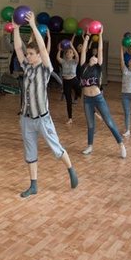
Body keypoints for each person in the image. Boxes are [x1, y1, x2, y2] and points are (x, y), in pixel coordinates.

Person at [13, 11, 78, 198]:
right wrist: (16, 29)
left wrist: (33, 25)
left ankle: (71, 169)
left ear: (39, 56)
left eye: (31, 54)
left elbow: (42, 48)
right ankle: (33, 185)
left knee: (56, 148)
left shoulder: (45, 68)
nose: (28, 56)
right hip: (26, 119)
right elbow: (17, 48)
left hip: (42, 119)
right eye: (28, 54)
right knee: (30, 152)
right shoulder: (26, 67)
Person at [78, 27, 126, 158]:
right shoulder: (83, 67)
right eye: (92, 57)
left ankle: (121, 144)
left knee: (109, 122)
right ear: (89, 59)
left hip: (98, 98)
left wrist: (100, 35)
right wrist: (87, 37)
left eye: (96, 58)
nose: (94, 58)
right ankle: (90, 146)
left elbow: (100, 50)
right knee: (90, 124)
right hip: (87, 100)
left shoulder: (98, 68)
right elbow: (84, 51)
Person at [56, 38, 80, 124]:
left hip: (74, 80)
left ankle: (92, 110)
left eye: (70, 52)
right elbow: (58, 58)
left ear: (73, 54)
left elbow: (77, 56)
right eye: (67, 52)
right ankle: (70, 118)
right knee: (68, 101)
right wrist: (59, 50)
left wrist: (72, 47)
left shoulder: (74, 61)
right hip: (66, 82)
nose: (68, 53)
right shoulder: (63, 61)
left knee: (81, 94)